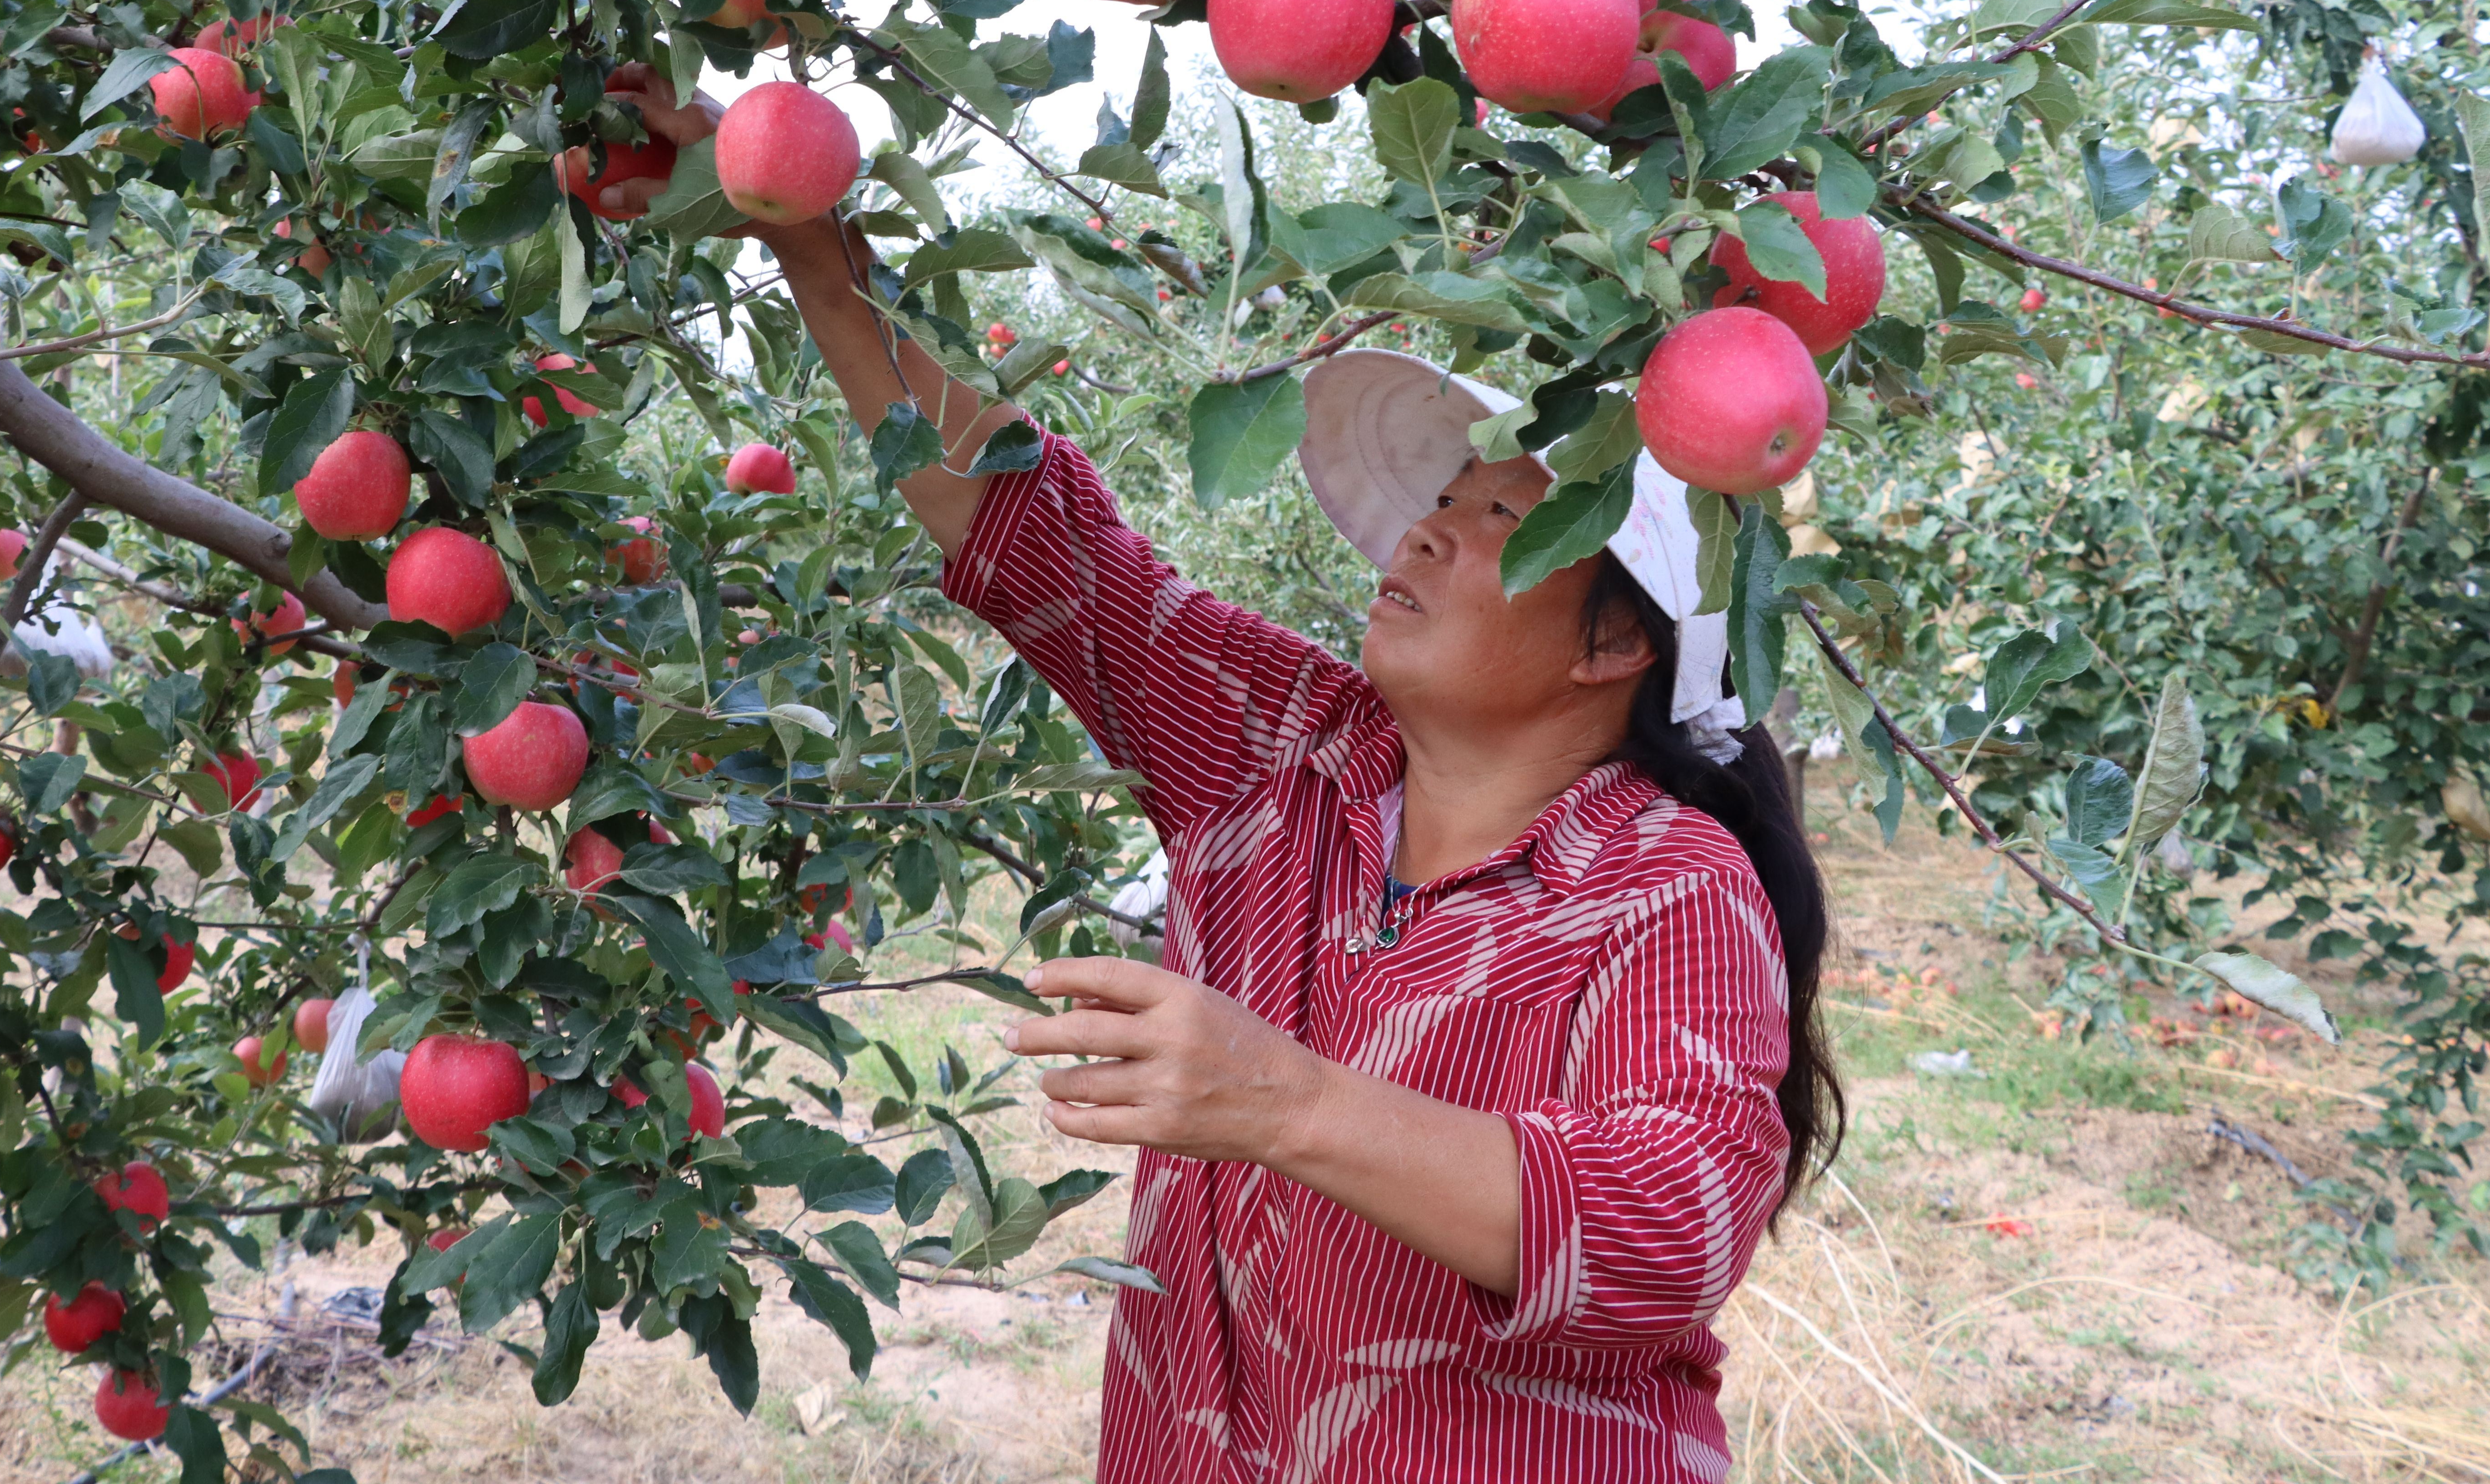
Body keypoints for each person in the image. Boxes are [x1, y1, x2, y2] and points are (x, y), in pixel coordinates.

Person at [635, 85, 1840, 1481]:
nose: (1432, 534)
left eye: (1500, 516)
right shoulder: (1281, 761)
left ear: (1618, 640)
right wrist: (809, 240)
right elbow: (1044, 542)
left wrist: (1286, 1102)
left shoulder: (1667, 891)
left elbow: (1668, 1231)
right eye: (1442, 498)